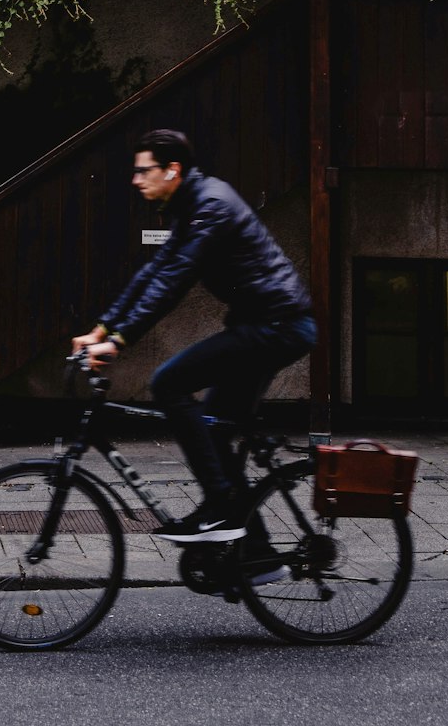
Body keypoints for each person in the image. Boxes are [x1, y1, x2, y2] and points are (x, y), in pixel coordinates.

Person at [72, 129, 316, 576]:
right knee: (215, 427)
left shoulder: (211, 206)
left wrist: (120, 342)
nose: (135, 180)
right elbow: (155, 270)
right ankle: (255, 553)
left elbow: (173, 281)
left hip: (276, 327)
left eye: (143, 170)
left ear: (172, 170)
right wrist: (103, 327)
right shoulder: (192, 205)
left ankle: (222, 505)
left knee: (169, 382)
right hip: (260, 326)